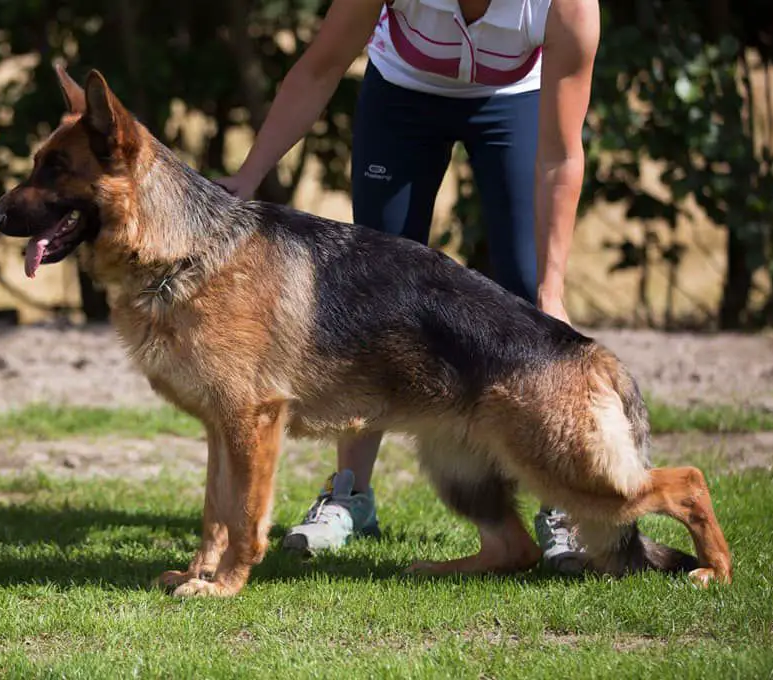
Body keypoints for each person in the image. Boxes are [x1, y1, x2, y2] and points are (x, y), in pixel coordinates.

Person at [217, 0, 599, 575]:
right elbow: (319, 70)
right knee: (368, 300)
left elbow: (562, 154)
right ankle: (350, 495)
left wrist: (553, 287)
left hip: (511, 100)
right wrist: (247, 176)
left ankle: (559, 508)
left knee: (529, 300)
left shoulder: (565, 7)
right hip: (403, 93)